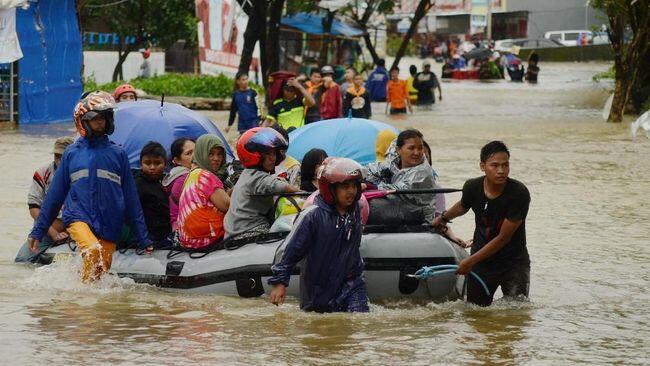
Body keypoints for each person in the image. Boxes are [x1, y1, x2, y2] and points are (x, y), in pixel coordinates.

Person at [27, 91, 149, 282]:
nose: (101, 122)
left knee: (99, 276)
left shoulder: (118, 154)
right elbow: (55, 196)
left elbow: (131, 198)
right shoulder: (71, 153)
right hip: (78, 217)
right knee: (93, 250)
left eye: (105, 117)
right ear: (82, 121)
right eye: (96, 118)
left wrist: (143, 238)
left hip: (109, 223)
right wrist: (38, 230)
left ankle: (82, 307)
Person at [432, 141, 531, 307]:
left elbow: (503, 238)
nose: (501, 171)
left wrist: (469, 261)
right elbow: (463, 205)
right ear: (482, 166)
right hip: (482, 263)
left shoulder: (519, 193)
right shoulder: (472, 186)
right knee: (475, 312)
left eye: (505, 165)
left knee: (515, 312)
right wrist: (443, 218)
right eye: (495, 165)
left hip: (513, 263)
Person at [268, 157, 369, 313]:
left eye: (354, 186)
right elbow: (289, 250)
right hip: (319, 288)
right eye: (345, 187)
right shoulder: (312, 216)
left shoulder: (356, 210)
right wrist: (280, 283)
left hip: (352, 283)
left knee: (358, 323)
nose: (351, 192)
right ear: (331, 188)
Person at [224, 127, 300, 239]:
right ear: (255, 155)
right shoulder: (258, 177)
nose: (273, 158)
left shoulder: (247, 173)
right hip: (248, 231)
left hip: (235, 231)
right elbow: (286, 188)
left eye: (274, 154)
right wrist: (308, 194)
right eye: (268, 154)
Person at [366, 129, 436, 224]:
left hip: (420, 219)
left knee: (373, 205)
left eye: (420, 148)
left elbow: (400, 189)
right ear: (398, 150)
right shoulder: (394, 163)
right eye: (411, 148)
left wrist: (371, 187)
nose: (417, 153)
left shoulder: (423, 172)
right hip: (398, 210)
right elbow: (372, 170)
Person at [177, 135, 231, 249]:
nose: (216, 158)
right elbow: (227, 205)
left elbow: (216, 198)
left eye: (220, 154)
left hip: (188, 241)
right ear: (201, 153)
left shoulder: (191, 175)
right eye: (211, 154)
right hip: (207, 240)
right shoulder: (206, 175)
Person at [27, 137, 75, 243]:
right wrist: (53, 233)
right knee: (23, 258)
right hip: (46, 231)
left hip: (76, 230)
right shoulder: (42, 173)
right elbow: (34, 207)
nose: (60, 160)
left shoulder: (81, 174)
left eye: (63, 156)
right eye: (57, 156)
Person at [134, 141, 172, 243]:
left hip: (165, 237)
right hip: (147, 240)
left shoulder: (167, 182)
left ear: (165, 164)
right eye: (147, 163)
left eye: (157, 163)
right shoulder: (138, 185)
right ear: (141, 164)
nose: (152, 167)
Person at [162, 137, 195, 231]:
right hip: (186, 230)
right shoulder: (184, 178)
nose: (195, 155)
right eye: (189, 153)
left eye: (196, 150)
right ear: (177, 160)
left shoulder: (174, 174)